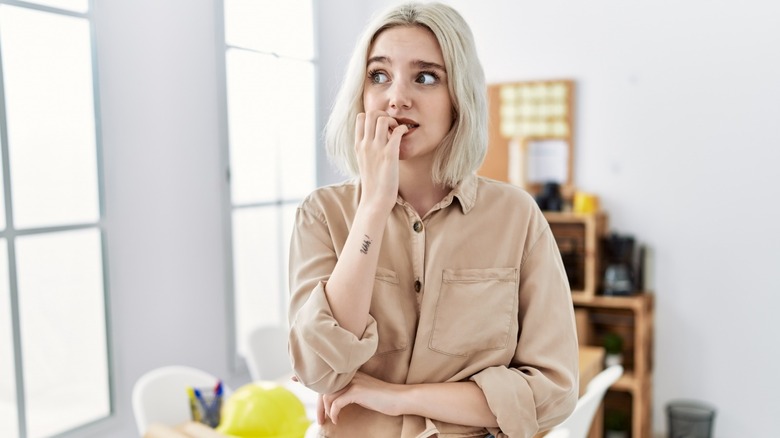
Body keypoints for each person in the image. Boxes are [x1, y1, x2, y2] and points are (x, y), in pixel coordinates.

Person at [287, 2, 578, 437]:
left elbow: (551, 393)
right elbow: (319, 369)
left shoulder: (517, 217)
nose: (396, 97)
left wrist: (394, 396)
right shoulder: (322, 215)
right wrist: (372, 208)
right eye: (379, 75)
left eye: (426, 77)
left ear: (459, 97)